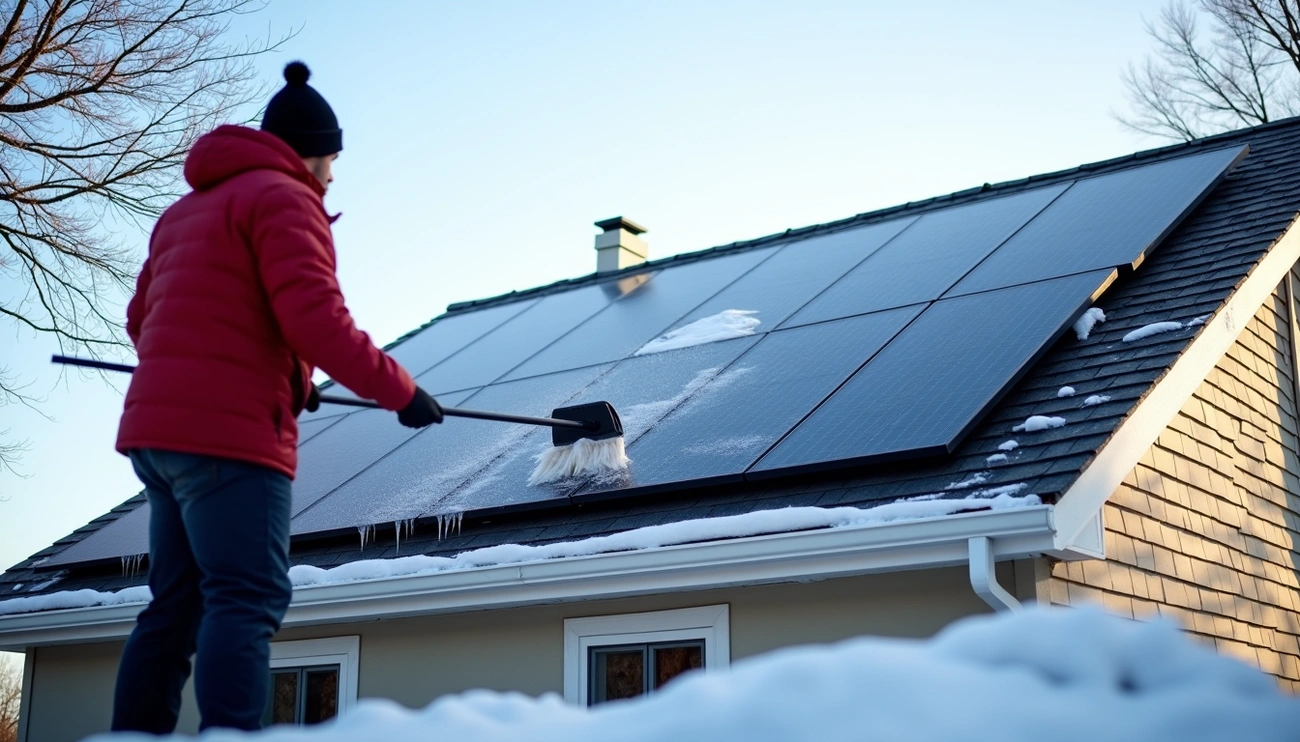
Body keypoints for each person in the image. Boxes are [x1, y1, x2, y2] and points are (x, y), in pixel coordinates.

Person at [110, 61, 442, 733]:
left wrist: (284, 375)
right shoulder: (285, 199)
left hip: (157, 436)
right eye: (331, 160)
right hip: (228, 440)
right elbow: (315, 319)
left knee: (174, 606)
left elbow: (142, 321)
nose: (332, 177)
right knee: (247, 595)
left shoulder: (183, 213)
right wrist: (400, 391)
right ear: (309, 153)